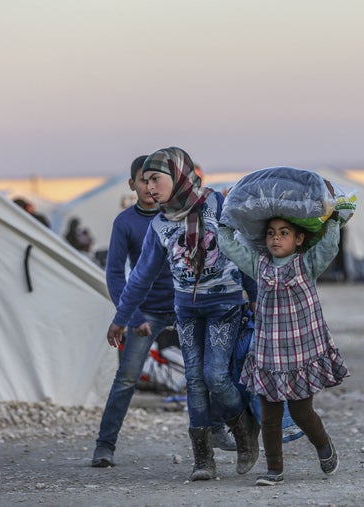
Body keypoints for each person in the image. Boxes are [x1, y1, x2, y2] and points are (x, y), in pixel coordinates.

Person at [106, 147, 259, 481]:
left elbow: (244, 253)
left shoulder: (219, 206)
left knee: (215, 375)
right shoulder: (160, 224)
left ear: (177, 176)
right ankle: (203, 459)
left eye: (155, 178)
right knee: (193, 380)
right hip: (187, 310)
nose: (148, 187)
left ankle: (245, 430)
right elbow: (141, 276)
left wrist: (258, 300)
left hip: (225, 304)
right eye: (144, 181)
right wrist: (121, 318)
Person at [219, 213, 349, 487]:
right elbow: (230, 247)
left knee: (302, 413)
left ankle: (323, 444)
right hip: (268, 354)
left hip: (299, 355)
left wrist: (335, 220)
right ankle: (274, 470)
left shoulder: (307, 264)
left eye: (283, 233)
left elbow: (328, 247)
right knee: (269, 416)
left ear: (299, 239)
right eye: (271, 233)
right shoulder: (259, 265)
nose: (275, 238)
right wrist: (225, 225)